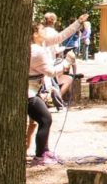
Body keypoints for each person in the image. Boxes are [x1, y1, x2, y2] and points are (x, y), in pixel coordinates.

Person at [28, 23, 76, 166]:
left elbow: (60, 37)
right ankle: (40, 155)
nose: (45, 31)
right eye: (42, 29)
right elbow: (51, 72)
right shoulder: (36, 51)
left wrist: (78, 23)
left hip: (34, 90)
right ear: (35, 34)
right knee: (45, 120)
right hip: (29, 93)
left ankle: (44, 150)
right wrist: (67, 62)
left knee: (42, 120)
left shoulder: (37, 45)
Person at [41, 12, 87, 103]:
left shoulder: (42, 32)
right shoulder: (51, 33)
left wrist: (78, 23)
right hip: (48, 67)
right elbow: (60, 39)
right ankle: (53, 99)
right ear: (53, 21)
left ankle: (52, 98)